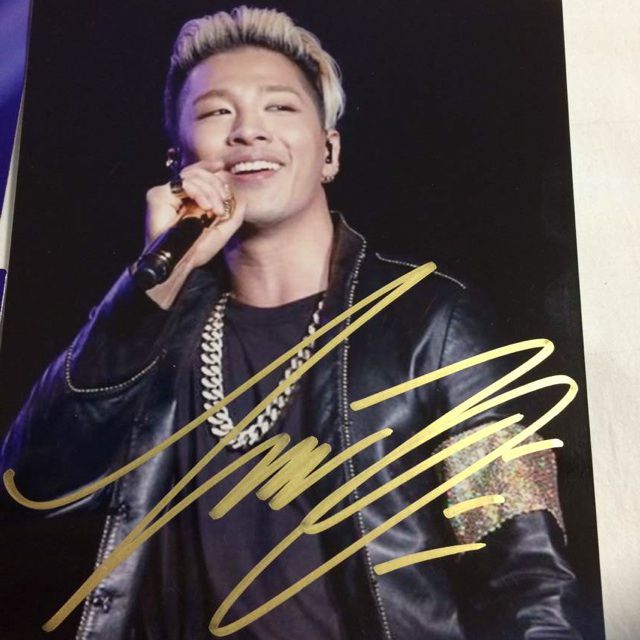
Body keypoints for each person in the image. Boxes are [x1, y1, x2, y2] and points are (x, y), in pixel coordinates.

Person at [1, 6, 581, 639]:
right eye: (216, 113)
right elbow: (30, 488)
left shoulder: (432, 323)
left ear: (329, 151)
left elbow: (526, 571)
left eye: (279, 107)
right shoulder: (146, 331)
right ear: (177, 162)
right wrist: (152, 286)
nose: (249, 132)